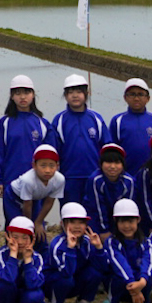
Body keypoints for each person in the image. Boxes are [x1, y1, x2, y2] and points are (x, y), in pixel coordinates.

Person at [49, 74, 111, 211]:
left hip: (94, 176)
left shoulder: (96, 118)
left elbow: (107, 147)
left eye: (78, 92)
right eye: (70, 92)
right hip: (69, 178)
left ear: (86, 94)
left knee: (94, 211)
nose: (75, 96)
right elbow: (53, 151)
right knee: (70, 213)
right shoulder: (59, 120)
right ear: (65, 96)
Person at [0, 75, 50, 220]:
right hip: (11, 183)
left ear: (33, 95)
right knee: (13, 225)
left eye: (26, 92)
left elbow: (50, 156)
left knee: (36, 224)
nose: (22, 97)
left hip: (37, 183)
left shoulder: (42, 123)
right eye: (18, 93)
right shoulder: (5, 123)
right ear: (12, 96)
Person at [101, 198, 152, 303]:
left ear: (138, 220)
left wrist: (142, 281)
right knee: (116, 275)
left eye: (130, 221)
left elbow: (149, 263)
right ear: (116, 221)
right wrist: (132, 284)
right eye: (122, 222)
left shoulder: (146, 242)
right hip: (123, 282)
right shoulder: (112, 242)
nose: (127, 226)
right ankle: (112, 302)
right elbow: (119, 264)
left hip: (138, 284)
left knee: (147, 276)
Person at [45, 202, 105, 303]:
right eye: (72, 222)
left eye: (81, 222)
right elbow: (66, 272)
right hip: (54, 283)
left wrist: (99, 248)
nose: (77, 226)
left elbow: (103, 267)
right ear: (63, 224)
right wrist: (70, 249)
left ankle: (84, 301)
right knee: (66, 279)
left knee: (96, 272)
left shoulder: (88, 241)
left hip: (74, 280)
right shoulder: (57, 244)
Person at [0, 216, 47, 303]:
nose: (20, 242)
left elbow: (33, 284)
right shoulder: (2, 254)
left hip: (25, 294)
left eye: (24, 238)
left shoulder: (37, 258)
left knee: (35, 295)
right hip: (7, 295)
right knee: (4, 285)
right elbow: (8, 278)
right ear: (8, 237)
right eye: (15, 237)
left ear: (32, 239)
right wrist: (12, 255)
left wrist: (27, 260)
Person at [109, 79, 152, 178]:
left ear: (148, 98)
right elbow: (112, 151)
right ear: (125, 98)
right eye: (132, 94)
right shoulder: (117, 121)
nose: (136, 98)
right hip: (126, 176)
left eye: (140, 94)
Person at [8, 144, 65, 244]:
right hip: (14, 197)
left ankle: (40, 253)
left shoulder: (60, 179)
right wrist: (28, 226)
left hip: (35, 198)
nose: (47, 170)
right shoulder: (28, 180)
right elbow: (27, 204)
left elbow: (49, 202)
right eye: (43, 165)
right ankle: (12, 252)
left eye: (52, 166)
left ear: (57, 166)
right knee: (17, 228)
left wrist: (38, 222)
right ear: (34, 166)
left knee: (39, 230)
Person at [89, 143, 136, 239]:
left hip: (119, 221)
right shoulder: (95, 180)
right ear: (101, 164)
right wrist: (104, 231)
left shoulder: (129, 181)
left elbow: (128, 209)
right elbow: (97, 208)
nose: (112, 166)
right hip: (98, 221)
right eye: (108, 162)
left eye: (117, 163)